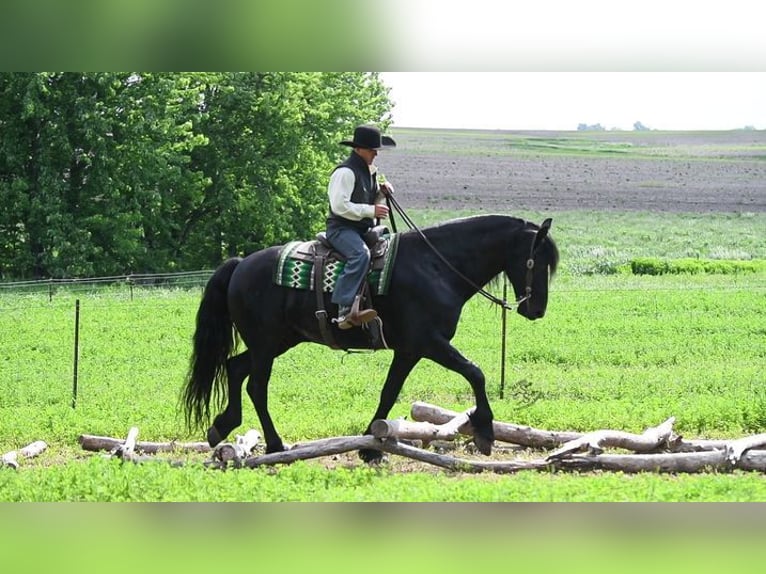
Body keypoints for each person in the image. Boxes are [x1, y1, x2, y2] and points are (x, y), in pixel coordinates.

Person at [326, 124, 396, 330]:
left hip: (361, 229)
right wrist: (371, 211)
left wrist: (382, 194)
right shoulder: (345, 172)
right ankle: (345, 310)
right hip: (341, 230)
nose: (376, 153)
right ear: (358, 149)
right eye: (372, 149)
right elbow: (340, 206)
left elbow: (368, 200)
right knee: (360, 255)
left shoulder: (368, 172)